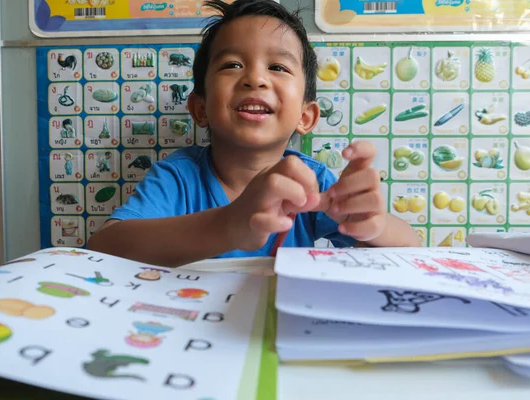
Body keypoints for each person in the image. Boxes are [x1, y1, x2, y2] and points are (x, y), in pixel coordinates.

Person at [87, 0, 420, 267]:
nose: (255, 79)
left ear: (305, 116)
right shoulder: (178, 176)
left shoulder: (313, 180)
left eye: (277, 67)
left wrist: (372, 223)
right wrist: (229, 225)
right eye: (232, 64)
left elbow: (412, 247)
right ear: (199, 109)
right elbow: (102, 248)